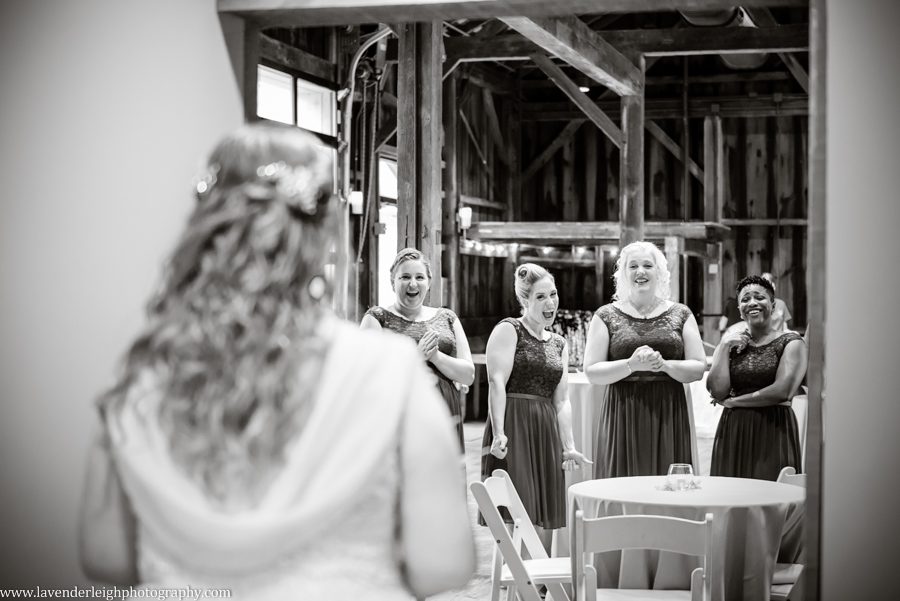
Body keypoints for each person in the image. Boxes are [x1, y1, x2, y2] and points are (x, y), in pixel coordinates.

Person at [77, 123, 475, 600]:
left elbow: (105, 556)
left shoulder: (148, 374)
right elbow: (444, 566)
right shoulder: (387, 371)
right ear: (326, 239)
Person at [481, 263, 590, 552]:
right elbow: (496, 381)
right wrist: (499, 432)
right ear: (525, 301)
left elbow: (562, 400)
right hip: (514, 423)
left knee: (543, 512)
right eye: (541, 297)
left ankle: (538, 584)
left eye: (553, 294)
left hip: (544, 428)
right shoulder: (509, 329)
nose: (550, 303)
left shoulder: (559, 344)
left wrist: (569, 445)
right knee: (519, 508)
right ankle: (516, 580)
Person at [583, 241, 706, 479]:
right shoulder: (606, 315)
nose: (640, 271)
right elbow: (592, 371)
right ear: (624, 274)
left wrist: (665, 365)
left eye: (648, 265)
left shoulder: (681, 313)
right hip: (622, 409)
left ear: (659, 272)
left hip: (668, 408)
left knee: (667, 481)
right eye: (633, 266)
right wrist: (631, 365)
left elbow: (699, 367)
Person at [361, 248, 474, 450]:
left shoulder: (447, 317)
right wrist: (417, 358)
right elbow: (367, 379)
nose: (413, 284)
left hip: (446, 411)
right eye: (405, 277)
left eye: (419, 277)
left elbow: (468, 375)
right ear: (392, 282)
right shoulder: (377, 317)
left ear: (429, 283)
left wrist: (436, 357)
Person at [708, 275, 807, 481]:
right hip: (734, 429)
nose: (752, 302)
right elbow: (717, 390)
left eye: (759, 297)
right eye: (745, 299)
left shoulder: (791, 342)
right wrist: (724, 346)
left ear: (773, 305)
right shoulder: (731, 344)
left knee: (770, 498)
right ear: (739, 310)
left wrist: (734, 402)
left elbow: (783, 390)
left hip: (773, 428)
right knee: (731, 496)